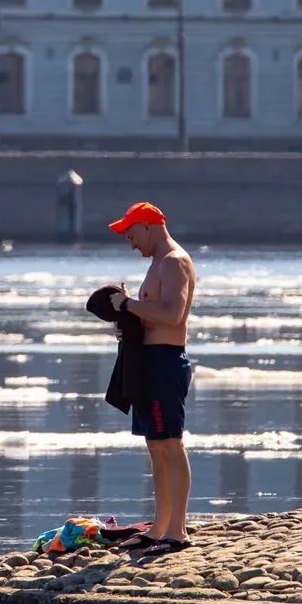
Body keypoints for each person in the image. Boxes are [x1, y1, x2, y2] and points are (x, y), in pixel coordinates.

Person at [107, 202, 196, 553]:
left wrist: (127, 305)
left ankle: (178, 532)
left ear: (148, 226)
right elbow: (152, 314)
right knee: (155, 445)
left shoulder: (174, 262)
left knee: (171, 444)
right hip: (147, 360)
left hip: (165, 362)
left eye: (132, 235)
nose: (132, 244)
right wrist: (128, 319)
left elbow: (172, 314)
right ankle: (158, 529)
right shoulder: (157, 264)